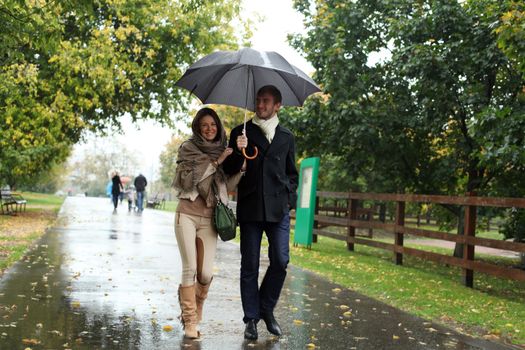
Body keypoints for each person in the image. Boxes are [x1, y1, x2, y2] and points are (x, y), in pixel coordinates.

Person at [222, 85, 298, 340]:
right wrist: (238, 149)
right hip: (252, 206)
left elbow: (292, 174)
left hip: (278, 209)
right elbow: (228, 170)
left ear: (278, 106)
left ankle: (266, 308)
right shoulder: (240, 132)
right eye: (258, 100)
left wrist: (288, 197)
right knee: (250, 265)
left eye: (266, 101)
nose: (260, 105)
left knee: (281, 260)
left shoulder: (286, 136)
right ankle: (251, 319)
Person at [172, 107, 242, 339]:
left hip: (209, 218)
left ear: (219, 127)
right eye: (205, 125)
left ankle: (197, 303)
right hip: (188, 214)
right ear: (198, 128)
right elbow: (190, 182)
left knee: (204, 273)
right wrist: (217, 161)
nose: (210, 129)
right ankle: (190, 321)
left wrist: (240, 166)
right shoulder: (188, 149)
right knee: (189, 268)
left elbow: (226, 187)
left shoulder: (224, 151)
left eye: (213, 125)